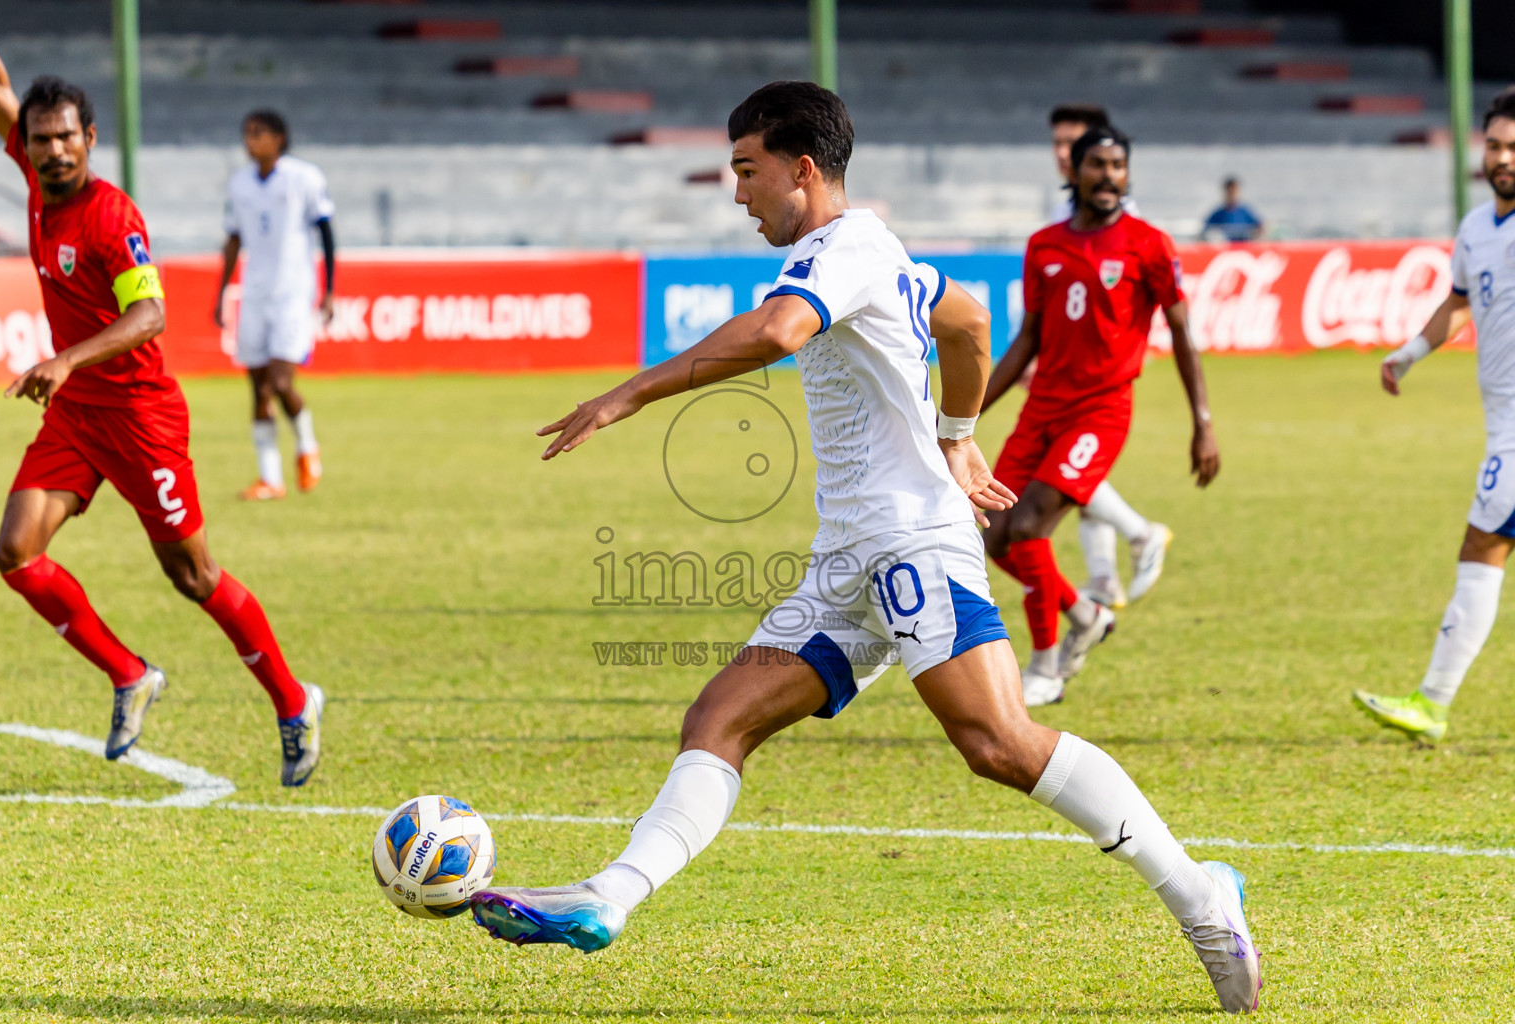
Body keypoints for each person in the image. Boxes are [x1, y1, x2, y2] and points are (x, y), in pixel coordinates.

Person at [465, 82, 1260, 1016]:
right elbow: (965, 322)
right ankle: (609, 897)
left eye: (746, 170)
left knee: (999, 742)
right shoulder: (871, 249)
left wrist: (627, 396)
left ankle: (1203, 899)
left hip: (911, 546)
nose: (737, 193)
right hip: (850, 558)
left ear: (802, 169)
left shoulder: (843, 250)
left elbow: (777, 330)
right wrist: (957, 433)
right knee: (720, 717)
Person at [0, 27, 323, 786]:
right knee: (16, 553)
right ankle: (129, 674)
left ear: (90, 138)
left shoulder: (112, 218)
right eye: (39, 140)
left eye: (66, 137)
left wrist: (65, 358)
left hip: (139, 418)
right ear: (26, 146)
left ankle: (294, 700)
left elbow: (150, 317)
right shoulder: (36, 183)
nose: (53, 151)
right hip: (76, 417)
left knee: (193, 577)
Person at [980, 126, 1221, 708]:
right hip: (1042, 409)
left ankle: (1045, 665)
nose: (1109, 175)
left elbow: (1182, 332)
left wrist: (1203, 422)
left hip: (1101, 411)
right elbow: (1028, 341)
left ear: (1128, 174)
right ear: (1074, 172)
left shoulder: (1149, 244)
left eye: (1118, 165)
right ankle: (1084, 612)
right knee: (995, 536)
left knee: (1031, 524)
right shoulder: (1044, 246)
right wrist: (964, 411)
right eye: (1097, 165)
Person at [1353, 88, 1515, 743]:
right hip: (1500, 418)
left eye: (1514, 148)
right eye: (1496, 146)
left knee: (1484, 544)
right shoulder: (1477, 228)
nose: (1504, 158)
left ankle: (1433, 702)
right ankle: (1433, 702)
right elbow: (1457, 304)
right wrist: (1411, 352)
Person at [1046, 105, 1172, 610]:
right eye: (1055, 142)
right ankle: (1103, 577)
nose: (1060, 153)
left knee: (1064, 471)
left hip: (1102, 371)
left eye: (1068, 143)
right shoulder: (1065, 213)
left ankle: (1141, 534)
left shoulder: (1123, 217)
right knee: (1076, 469)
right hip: (1069, 367)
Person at [215, 109, 334, 501]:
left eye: (259, 133)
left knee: (282, 382)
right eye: (247, 133)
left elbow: (326, 232)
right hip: (254, 295)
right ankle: (270, 478)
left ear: (279, 138)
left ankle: (306, 446)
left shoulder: (304, 178)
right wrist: (220, 293)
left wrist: (328, 291)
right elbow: (234, 239)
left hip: (293, 296)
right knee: (258, 389)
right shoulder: (239, 185)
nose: (251, 141)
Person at [1201, 177, 1263, 243]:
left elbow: (1259, 226)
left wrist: (1253, 235)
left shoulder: (1245, 212)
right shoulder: (1218, 214)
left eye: (1234, 192)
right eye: (1230, 192)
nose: (1232, 195)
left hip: (1242, 249)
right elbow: (1206, 231)